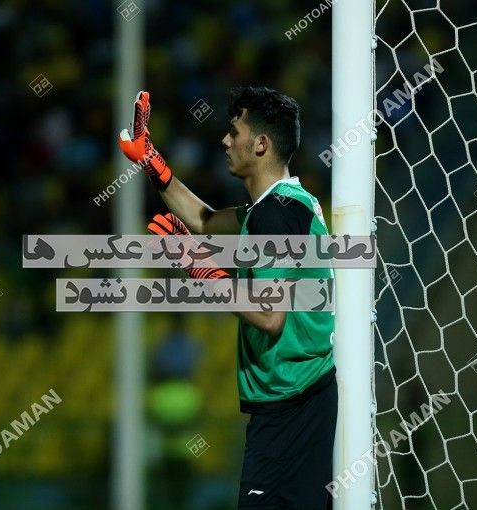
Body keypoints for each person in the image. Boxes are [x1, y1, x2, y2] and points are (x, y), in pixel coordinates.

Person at [119, 86, 337, 509]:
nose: (224, 140)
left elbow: (270, 315)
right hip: (299, 396)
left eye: (234, 132)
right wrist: (153, 163)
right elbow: (203, 221)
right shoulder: (280, 205)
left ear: (261, 143)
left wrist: (202, 269)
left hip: (291, 401)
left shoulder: (275, 215)